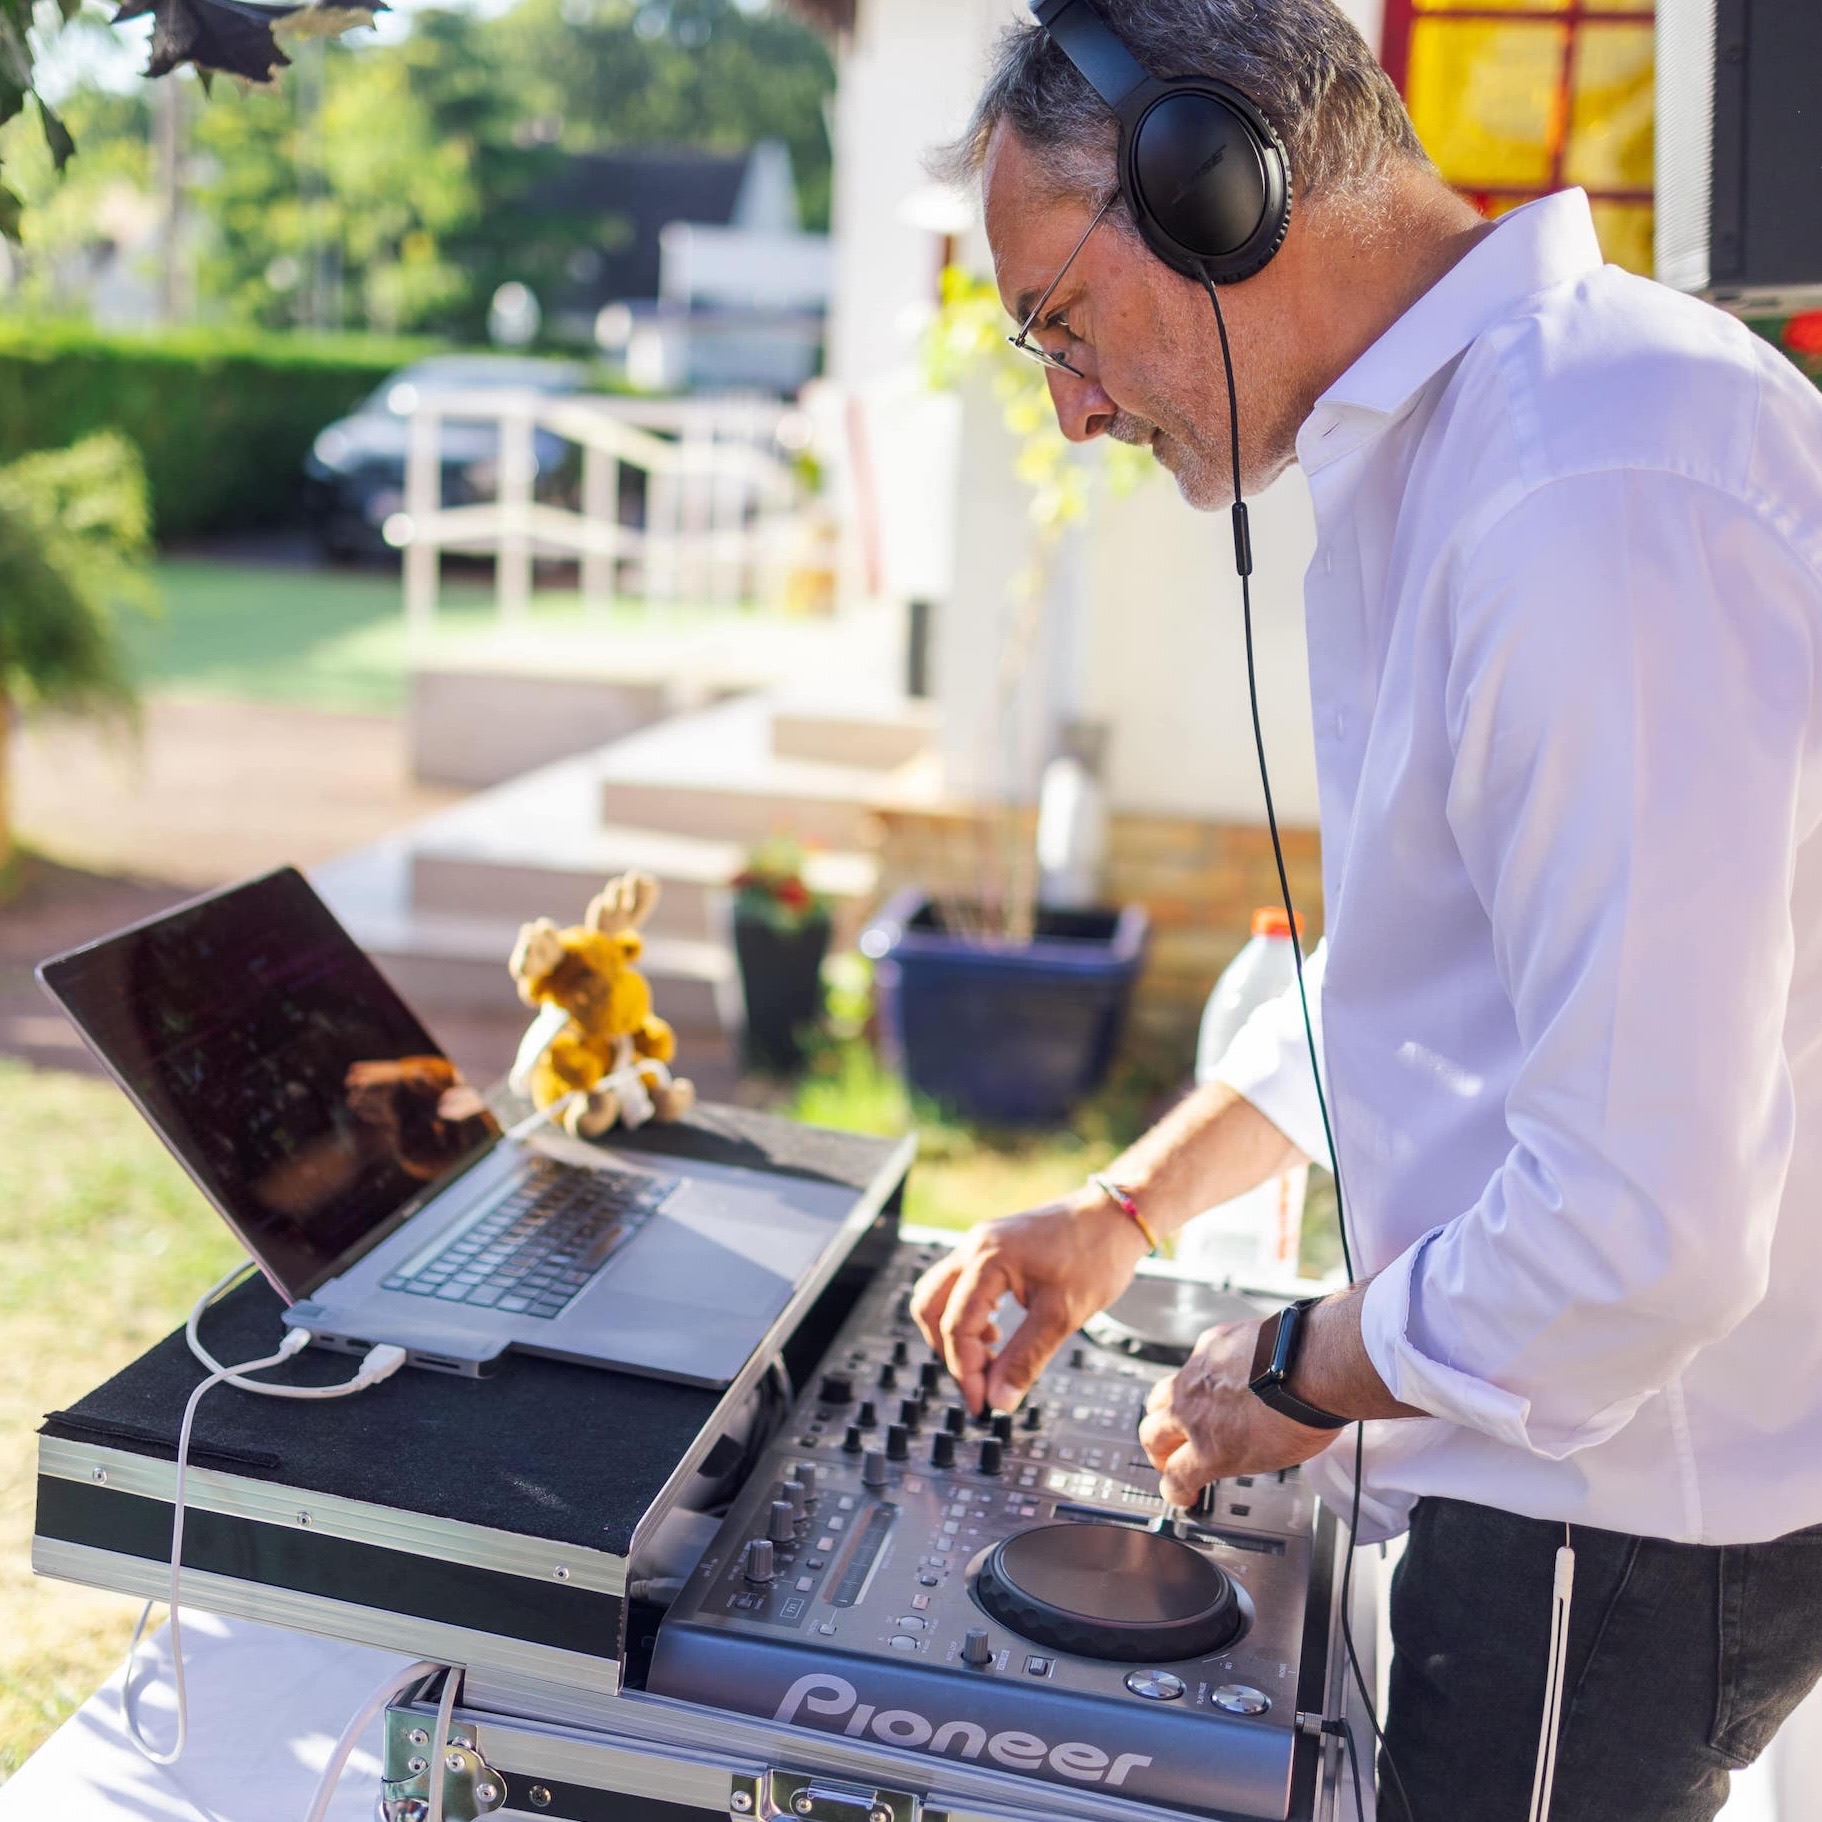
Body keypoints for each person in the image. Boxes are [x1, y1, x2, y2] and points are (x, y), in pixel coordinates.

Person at [908, 4, 1822, 1817]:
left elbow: (1641, 1227)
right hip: (1546, 1462)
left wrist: (1299, 1370)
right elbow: (1445, 977)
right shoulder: (1494, 439)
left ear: (1214, 195)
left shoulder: (1586, 489)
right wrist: (1126, 1207)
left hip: (1612, 1514)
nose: (1072, 409)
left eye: (1062, 327)